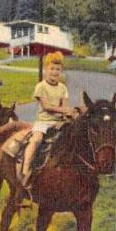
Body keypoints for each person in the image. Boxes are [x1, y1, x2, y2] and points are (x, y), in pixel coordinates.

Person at [21, 51, 73, 191]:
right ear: (45, 70)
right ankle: (26, 169)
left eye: (58, 69)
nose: (55, 72)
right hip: (43, 122)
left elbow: (66, 105)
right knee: (36, 140)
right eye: (52, 69)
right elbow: (47, 107)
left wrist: (69, 114)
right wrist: (65, 111)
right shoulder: (41, 87)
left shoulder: (63, 88)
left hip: (59, 122)